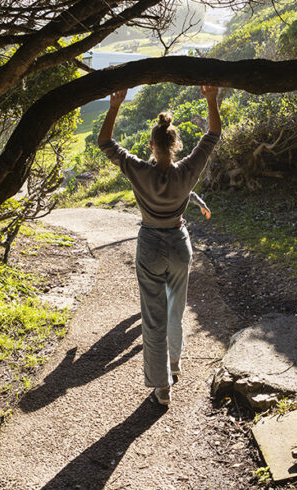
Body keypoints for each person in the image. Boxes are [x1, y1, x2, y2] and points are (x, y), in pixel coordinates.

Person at [97, 85, 222, 406]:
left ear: (151, 145)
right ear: (177, 144)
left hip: (150, 243)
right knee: (176, 310)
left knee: (153, 318)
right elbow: (212, 136)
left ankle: (162, 387)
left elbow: (106, 143)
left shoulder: (139, 171)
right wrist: (211, 100)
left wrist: (115, 106)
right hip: (180, 244)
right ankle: (176, 363)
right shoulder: (188, 170)